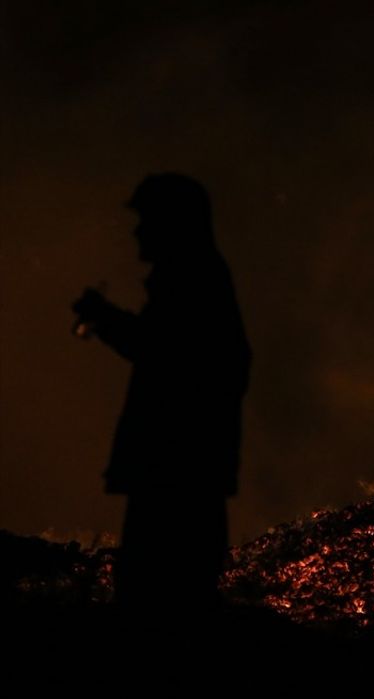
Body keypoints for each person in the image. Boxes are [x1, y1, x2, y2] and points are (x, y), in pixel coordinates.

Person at [72, 174, 250, 614]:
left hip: (175, 469)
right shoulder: (199, 276)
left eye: (146, 220)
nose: (137, 231)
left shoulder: (191, 278)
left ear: (170, 224)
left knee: (158, 592)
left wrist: (103, 317)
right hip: (187, 468)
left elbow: (163, 349)